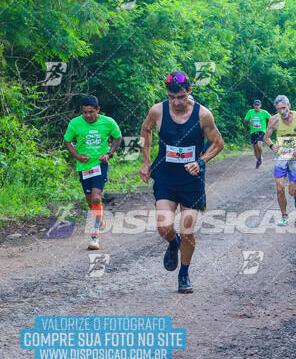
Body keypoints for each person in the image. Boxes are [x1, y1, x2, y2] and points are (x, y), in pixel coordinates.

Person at [138, 72, 224, 293]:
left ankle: (184, 274)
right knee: (164, 227)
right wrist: (146, 162)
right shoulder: (157, 111)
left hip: (191, 180)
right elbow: (146, 130)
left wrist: (201, 161)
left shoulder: (203, 115)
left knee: (188, 230)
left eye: (181, 96)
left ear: (189, 92)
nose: (176, 102)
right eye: (171, 97)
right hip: (165, 176)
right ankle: (172, 242)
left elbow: (218, 142)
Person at [64, 95, 122, 250]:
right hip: (83, 167)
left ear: (98, 110)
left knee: (96, 198)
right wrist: (77, 156)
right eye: (85, 112)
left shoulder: (108, 122)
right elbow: (67, 141)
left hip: (100, 165)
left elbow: (118, 138)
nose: (88, 115)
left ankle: (94, 236)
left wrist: (109, 154)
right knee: (91, 202)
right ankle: (99, 216)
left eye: (91, 112)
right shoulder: (75, 123)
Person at [264, 95, 296, 226]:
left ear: (289, 106)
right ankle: (284, 215)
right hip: (281, 156)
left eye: (284, 108)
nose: (282, 112)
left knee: (291, 190)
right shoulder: (273, 120)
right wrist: (272, 146)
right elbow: (266, 138)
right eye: (279, 109)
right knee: (280, 188)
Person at [244, 100, 271, 168]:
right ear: (253, 105)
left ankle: (260, 157)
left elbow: (271, 119)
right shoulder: (250, 112)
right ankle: (258, 160)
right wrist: (248, 121)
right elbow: (245, 120)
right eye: (255, 105)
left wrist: (270, 127)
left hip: (261, 131)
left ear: (260, 106)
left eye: (258, 105)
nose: (256, 106)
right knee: (255, 148)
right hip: (253, 132)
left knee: (259, 145)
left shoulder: (264, 112)